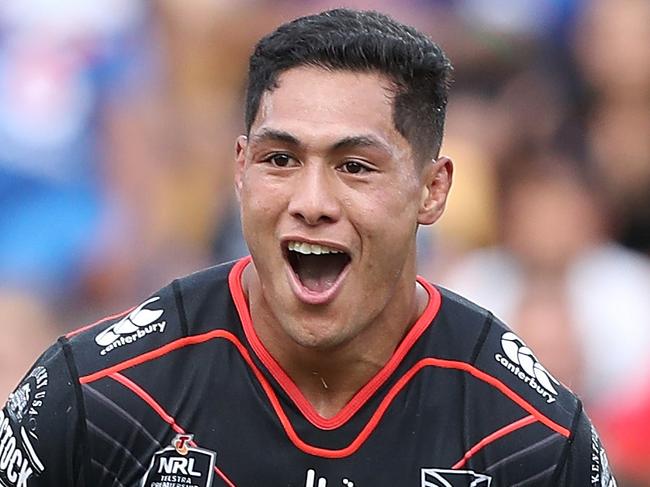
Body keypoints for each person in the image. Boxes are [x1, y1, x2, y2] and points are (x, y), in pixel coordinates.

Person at [0, 9, 616, 487]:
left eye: (355, 166)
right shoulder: (94, 399)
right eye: (280, 159)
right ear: (239, 171)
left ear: (433, 190)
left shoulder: (531, 440)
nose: (311, 200)